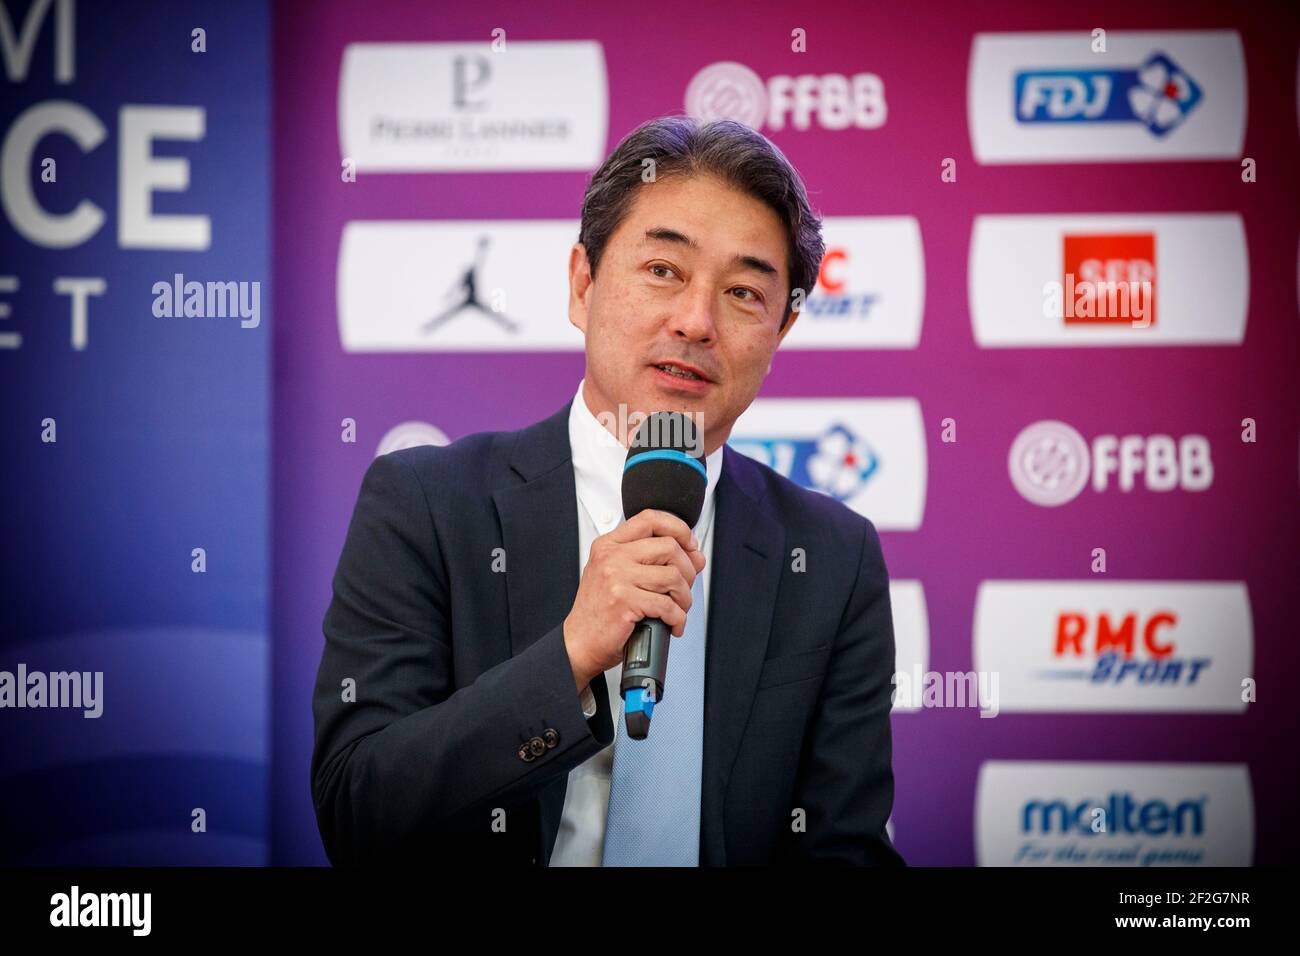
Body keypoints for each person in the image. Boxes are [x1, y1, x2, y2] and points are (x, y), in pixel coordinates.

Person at [310, 115, 903, 866]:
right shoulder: (428, 504)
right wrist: (569, 655)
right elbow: (358, 813)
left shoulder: (831, 556)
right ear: (581, 284)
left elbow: (843, 849)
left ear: (780, 332)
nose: (695, 322)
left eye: (745, 293)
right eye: (663, 270)